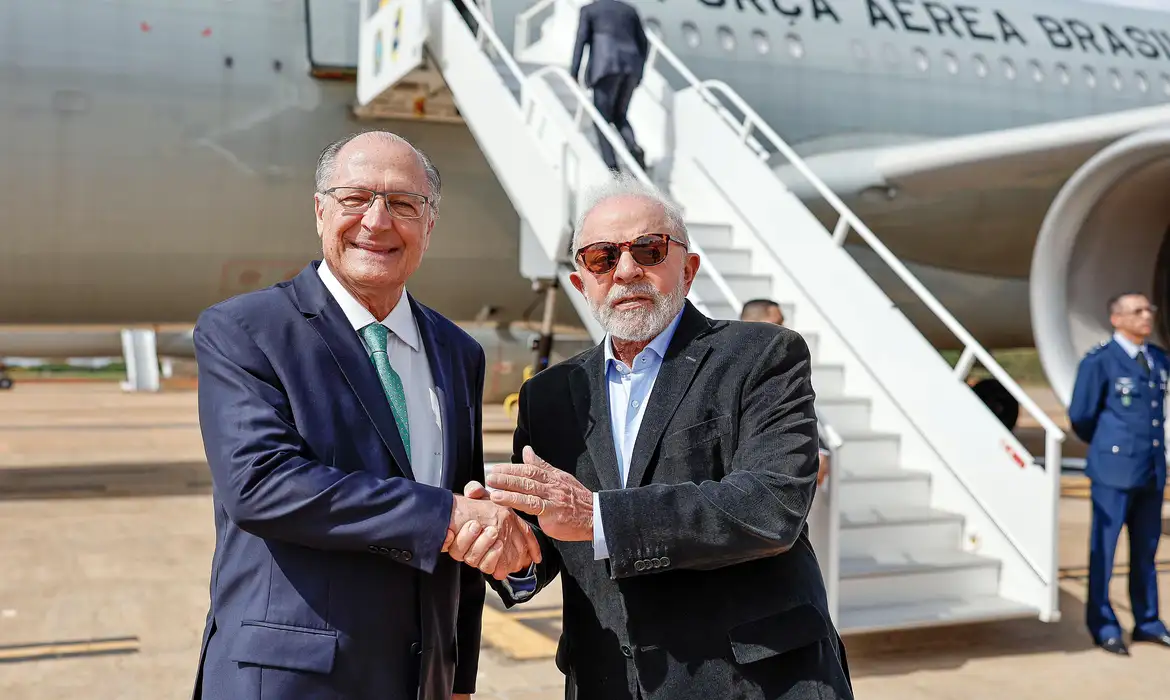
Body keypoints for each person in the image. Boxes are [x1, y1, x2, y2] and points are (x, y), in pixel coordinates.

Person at [457, 173, 853, 699]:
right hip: (609, 683)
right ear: (582, 282)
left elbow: (770, 506)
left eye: (648, 250)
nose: (625, 271)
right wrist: (513, 552)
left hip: (754, 683)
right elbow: (549, 539)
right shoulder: (548, 395)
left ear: (688, 269)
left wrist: (599, 517)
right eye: (601, 258)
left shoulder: (762, 357)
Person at [190, 131, 540, 700]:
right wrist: (446, 517)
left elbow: (465, 497)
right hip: (289, 680)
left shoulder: (458, 352)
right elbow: (260, 485)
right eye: (355, 199)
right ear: (320, 210)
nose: (377, 222)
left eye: (403, 204)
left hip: (420, 680)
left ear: (429, 225)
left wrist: (459, 674)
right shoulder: (246, 329)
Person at [1068, 292, 1170, 656]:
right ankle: (1104, 624)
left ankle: (1147, 621)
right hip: (1114, 472)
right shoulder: (1100, 362)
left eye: (1149, 310)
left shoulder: (1157, 360)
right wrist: (1112, 447)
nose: (1147, 316)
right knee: (1105, 552)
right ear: (1117, 319)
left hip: (1151, 470)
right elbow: (1081, 416)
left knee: (1146, 552)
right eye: (1138, 311)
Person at [740, 298, 831, 488]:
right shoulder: (728, 366)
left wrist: (819, 452)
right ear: (752, 324)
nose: (785, 329)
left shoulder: (781, 367)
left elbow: (797, 412)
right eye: (778, 322)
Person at [570, 0, 649, 173]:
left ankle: (612, 167)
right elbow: (644, 43)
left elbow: (581, 41)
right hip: (631, 67)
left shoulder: (589, 10)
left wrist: (573, 73)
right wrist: (639, 70)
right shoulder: (629, 10)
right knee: (620, 115)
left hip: (605, 66)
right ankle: (633, 147)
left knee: (601, 119)